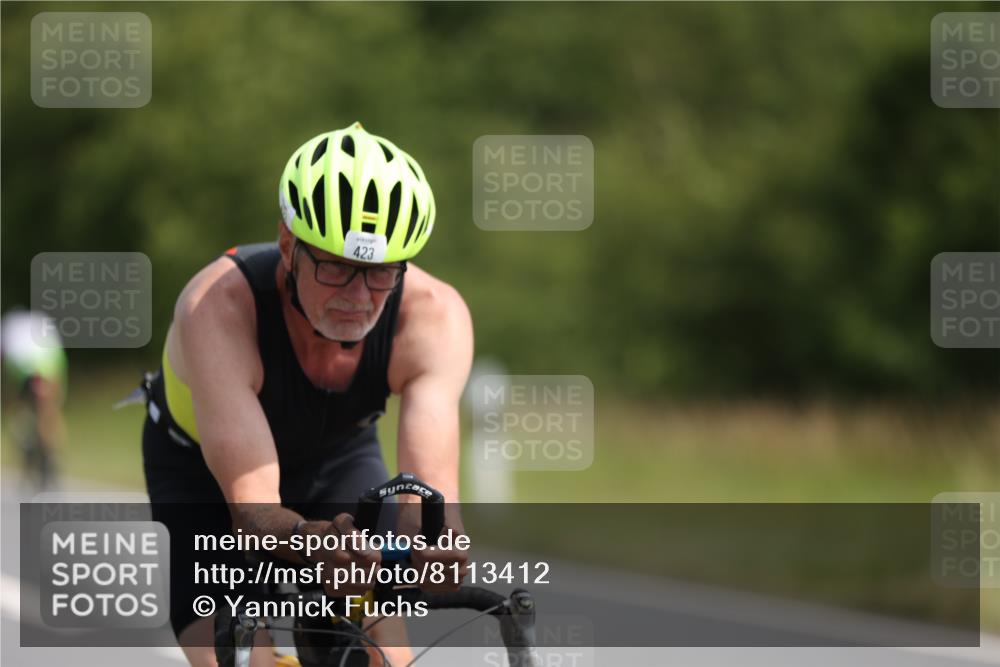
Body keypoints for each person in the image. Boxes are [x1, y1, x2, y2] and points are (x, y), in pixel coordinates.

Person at [141, 122, 473, 667]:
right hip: (203, 477)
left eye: (379, 272)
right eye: (337, 266)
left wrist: (434, 546)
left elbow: (428, 498)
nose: (358, 297)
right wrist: (314, 542)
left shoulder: (433, 317)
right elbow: (253, 513)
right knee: (240, 655)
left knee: (382, 654)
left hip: (337, 456)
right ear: (289, 245)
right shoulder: (217, 307)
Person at [1, 309, 68, 491]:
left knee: (22, 414)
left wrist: (10, 403)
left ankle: (36, 457)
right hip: (50, 361)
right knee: (49, 411)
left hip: (26, 366)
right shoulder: (36, 324)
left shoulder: (8, 330)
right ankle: (50, 455)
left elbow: (7, 376)